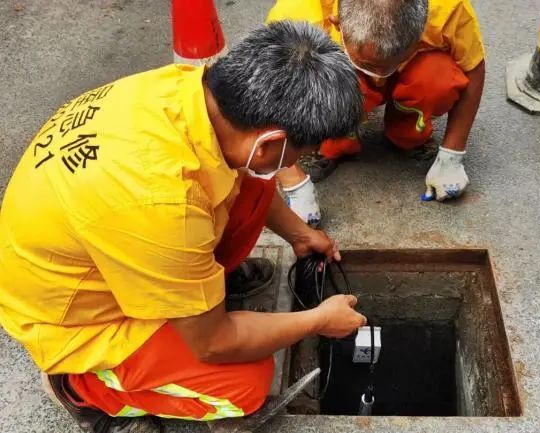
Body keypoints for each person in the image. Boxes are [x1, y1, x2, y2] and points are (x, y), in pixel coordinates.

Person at [0, 21, 366, 433]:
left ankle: (193, 292)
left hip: (113, 241)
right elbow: (213, 344)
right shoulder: (161, 197)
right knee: (245, 384)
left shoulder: (192, 91)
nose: (296, 163)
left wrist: (301, 234)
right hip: (77, 319)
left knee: (256, 185)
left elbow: (252, 174)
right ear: (267, 142)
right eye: (300, 152)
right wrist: (319, 320)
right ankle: (81, 387)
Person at [270, 0, 486, 225]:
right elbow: (268, 97)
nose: (382, 76)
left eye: (395, 61)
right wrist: (293, 181)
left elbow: (473, 66)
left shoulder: (448, 8)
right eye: (371, 66)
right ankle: (334, 142)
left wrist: (453, 152)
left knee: (437, 78)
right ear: (338, 23)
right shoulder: (297, 15)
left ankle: (406, 133)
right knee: (321, 77)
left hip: (416, 71)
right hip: (343, 70)